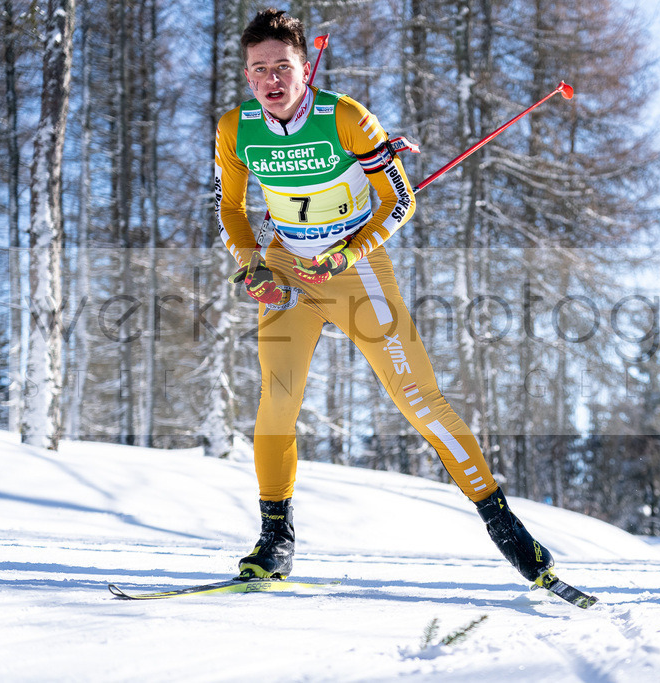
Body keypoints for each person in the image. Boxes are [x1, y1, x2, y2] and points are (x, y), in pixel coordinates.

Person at [214, 8, 555, 589]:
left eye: (282, 66)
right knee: (278, 402)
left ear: (304, 69)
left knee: (417, 398)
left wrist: (347, 255)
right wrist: (251, 267)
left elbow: (399, 202)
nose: (270, 79)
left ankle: (503, 524)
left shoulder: (346, 117)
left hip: (354, 269)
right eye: (258, 69)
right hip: (289, 269)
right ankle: (276, 539)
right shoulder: (234, 129)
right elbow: (229, 209)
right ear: (247, 74)